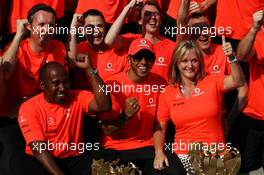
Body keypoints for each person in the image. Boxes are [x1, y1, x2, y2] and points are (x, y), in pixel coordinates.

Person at [154, 39, 244, 174]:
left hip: (215, 155)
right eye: (184, 61)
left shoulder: (212, 80)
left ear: (200, 62)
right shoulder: (168, 92)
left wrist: (231, 57)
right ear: (176, 64)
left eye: (194, 61)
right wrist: (159, 152)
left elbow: (238, 81)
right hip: (183, 157)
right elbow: (160, 128)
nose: (189, 65)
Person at [99, 38, 186, 175]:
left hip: (147, 146)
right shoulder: (112, 84)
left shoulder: (160, 82)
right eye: (138, 57)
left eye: (149, 58)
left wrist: (159, 151)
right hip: (116, 148)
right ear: (129, 59)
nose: (144, 62)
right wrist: (126, 116)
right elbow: (108, 131)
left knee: (176, 171)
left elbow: (159, 124)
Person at [0, 4, 66, 174]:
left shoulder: (58, 47)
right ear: (29, 26)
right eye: (41, 25)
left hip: (42, 116)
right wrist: (18, 36)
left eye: (51, 26)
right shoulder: (16, 48)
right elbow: (6, 72)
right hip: (11, 117)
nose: (46, 30)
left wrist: (28, 103)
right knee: (13, 163)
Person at [18, 58, 111, 175]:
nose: (62, 87)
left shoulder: (78, 96)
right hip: (43, 160)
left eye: (65, 82)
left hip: (72, 158)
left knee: (110, 155)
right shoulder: (29, 107)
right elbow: (39, 149)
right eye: (56, 83)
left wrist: (90, 70)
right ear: (42, 85)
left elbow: (104, 105)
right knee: (18, 163)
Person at [176, 0, 248, 136]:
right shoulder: (186, 52)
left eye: (205, 28)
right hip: (189, 123)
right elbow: (181, 22)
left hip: (217, 123)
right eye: (197, 30)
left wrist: (228, 121)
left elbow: (243, 89)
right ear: (189, 34)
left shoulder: (224, 51)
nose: (202, 33)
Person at [104, 0, 176, 82]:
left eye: (156, 14)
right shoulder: (132, 40)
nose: (153, 17)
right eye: (147, 14)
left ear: (161, 20)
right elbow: (109, 41)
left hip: (158, 93)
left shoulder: (172, 46)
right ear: (140, 20)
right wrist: (128, 7)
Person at [68, 9, 128, 88]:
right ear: (83, 30)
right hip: (88, 98)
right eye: (90, 28)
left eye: (99, 26)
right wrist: (73, 27)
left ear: (105, 27)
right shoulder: (79, 49)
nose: (96, 31)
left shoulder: (118, 51)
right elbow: (71, 62)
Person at [236, 10, 264, 172]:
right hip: (254, 117)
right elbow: (241, 56)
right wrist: (254, 28)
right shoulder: (257, 36)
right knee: (245, 165)